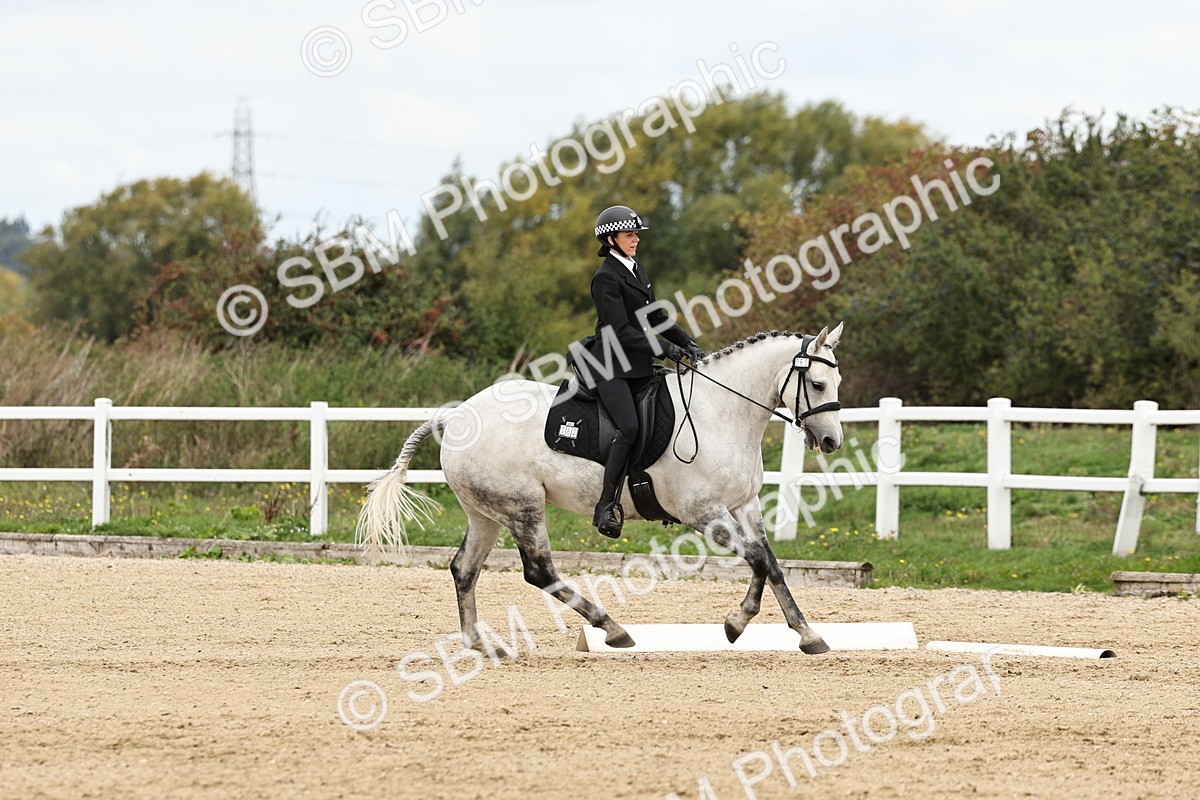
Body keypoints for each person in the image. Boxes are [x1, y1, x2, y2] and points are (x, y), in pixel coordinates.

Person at [576, 205, 704, 539]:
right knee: (630, 426)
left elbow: (655, 316)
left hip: (636, 362)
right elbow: (623, 332)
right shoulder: (605, 278)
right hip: (609, 363)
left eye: (635, 235)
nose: (635, 240)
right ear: (611, 239)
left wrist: (687, 342)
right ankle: (606, 505)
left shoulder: (635, 269)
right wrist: (668, 350)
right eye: (629, 234)